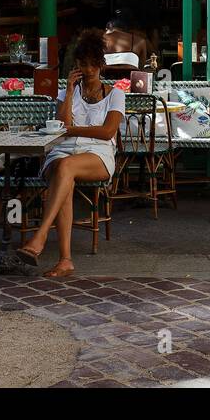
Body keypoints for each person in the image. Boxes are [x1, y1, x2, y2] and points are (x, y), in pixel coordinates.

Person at [15, 29, 124, 278]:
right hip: (62, 152)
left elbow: (107, 132)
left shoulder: (115, 94)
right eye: (82, 65)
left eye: (92, 65)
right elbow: (62, 129)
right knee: (64, 175)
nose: (87, 70)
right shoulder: (67, 92)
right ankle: (65, 260)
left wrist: (74, 129)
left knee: (65, 169)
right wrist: (70, 88)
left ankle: (40, 237)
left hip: (97, 155)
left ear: (101, 65)